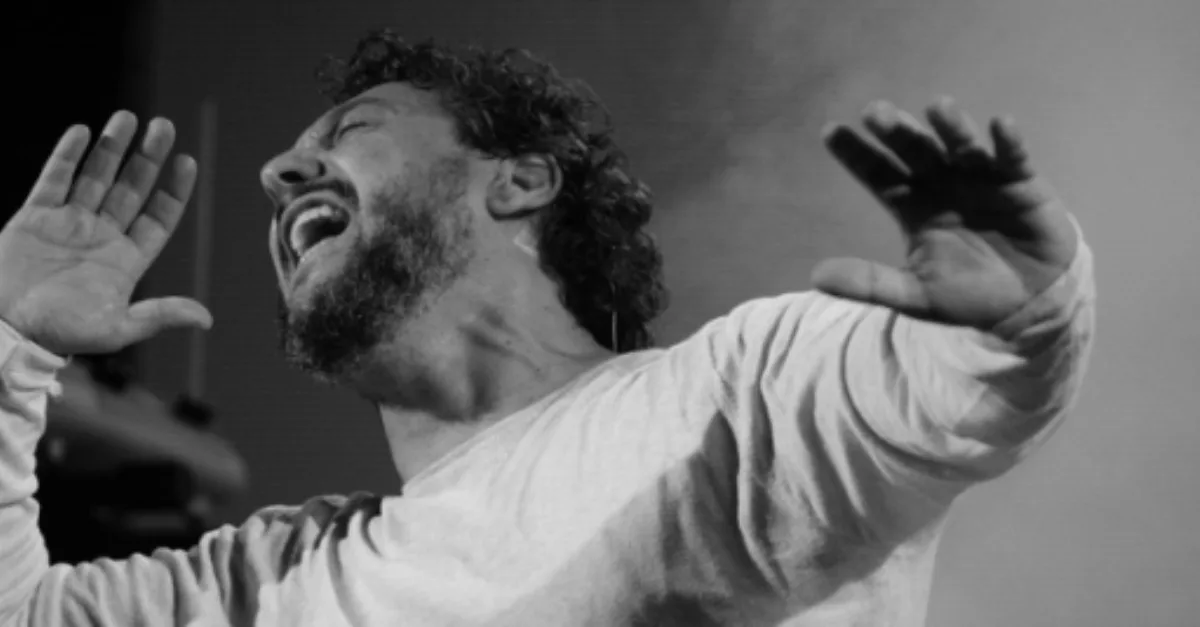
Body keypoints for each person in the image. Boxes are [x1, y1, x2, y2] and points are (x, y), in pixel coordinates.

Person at [0, 30, 1094, 627]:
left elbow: (943, 391)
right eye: (293, 159)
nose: (280, 172)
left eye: (353, 131)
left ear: (520, 181)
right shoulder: (270, 584)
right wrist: (9, 344)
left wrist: (1019, 317)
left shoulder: (730, 401)